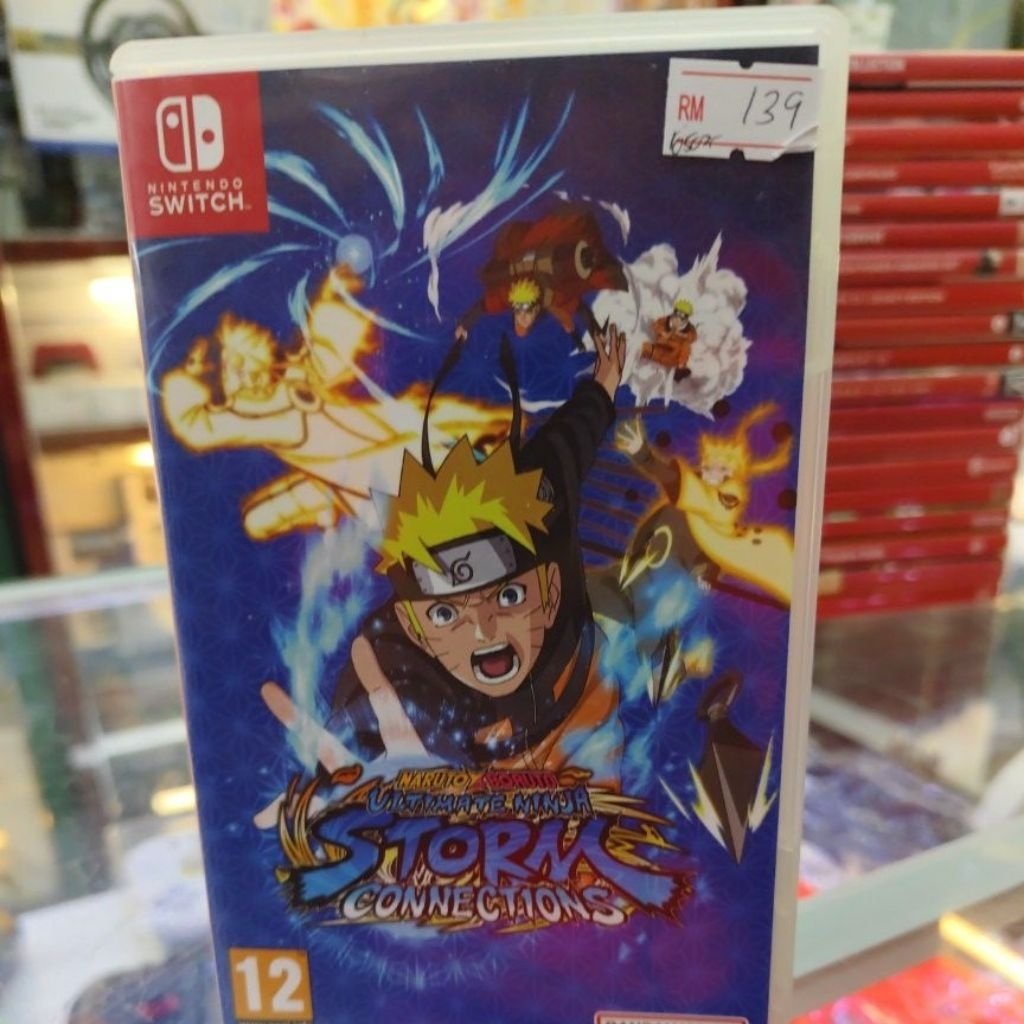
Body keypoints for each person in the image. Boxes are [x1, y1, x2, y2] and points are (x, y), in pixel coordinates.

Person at [329, 325, 627, 782]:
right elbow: (348, 748)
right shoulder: (394, 676)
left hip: (574, 709)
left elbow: (574, 435)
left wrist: (603, 387)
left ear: (549, 591)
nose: (483, 629)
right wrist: (348, 782)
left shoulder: (542, 490)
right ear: (415, 627)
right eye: (446, 613)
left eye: (508, 597)